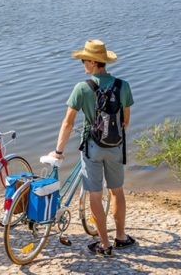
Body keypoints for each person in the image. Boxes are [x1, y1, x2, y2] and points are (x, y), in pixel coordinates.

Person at [49, 39, 135, 256]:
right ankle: (121, 237)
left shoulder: (81, 88)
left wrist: (59, 151)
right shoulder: (122, 85)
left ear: (93, 62)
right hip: (116, 147)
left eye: (84, 61)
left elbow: (67, 123)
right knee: (117, 191)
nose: (83, 65)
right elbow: (126, 121)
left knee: (95, 196)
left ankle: (104, 244)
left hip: (92, 148)